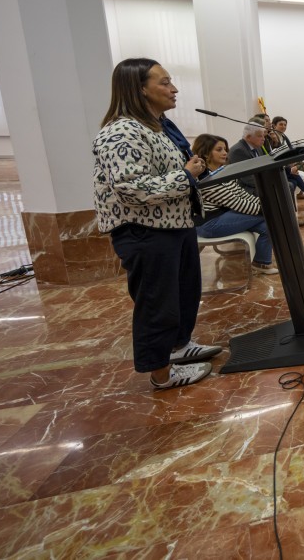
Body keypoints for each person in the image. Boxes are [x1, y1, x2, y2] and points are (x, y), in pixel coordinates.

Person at [93, 58, 220, 390]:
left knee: (184, 293)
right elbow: (131, 187)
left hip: (174, 224)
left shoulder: (157, 127)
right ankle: (161, 373)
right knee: (157, 302)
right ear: (140, 89)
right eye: (164, 83)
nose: (173, 89)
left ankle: (178, 348)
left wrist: (189, 168)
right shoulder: (122, 130)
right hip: (145, 231)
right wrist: (186, 174)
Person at [191, 134, 277, 275]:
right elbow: (237, 203)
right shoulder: (205, 178)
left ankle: (261, 262)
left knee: (268, 225)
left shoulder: (222, 171)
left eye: (225, 149)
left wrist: (264, 204)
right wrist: (269, 209)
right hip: (209, 224)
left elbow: (241, 194)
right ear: (206, 153)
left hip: (224, 215)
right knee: (271, 217)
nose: (225, 153)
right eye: (219, 150)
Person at [227, 122, 269, 195]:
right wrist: (269, 183)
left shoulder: (257, 147)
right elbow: (247, 178)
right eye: (260, 136)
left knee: (286, 185)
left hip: (258, 183)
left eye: (263, 136)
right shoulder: (238, 151)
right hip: (245, 189)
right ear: (248, 137)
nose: (263, 139)